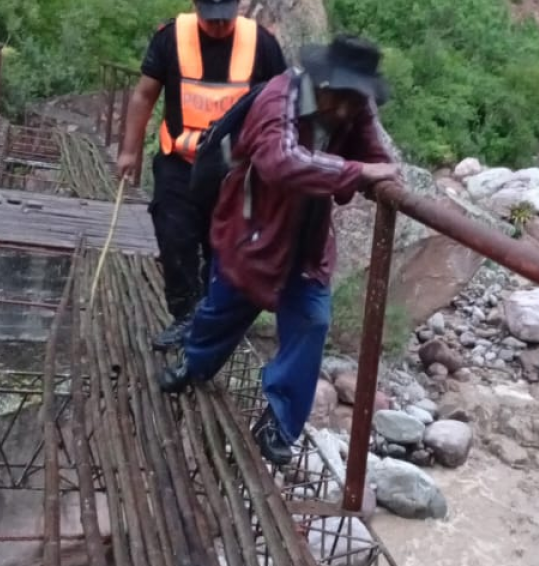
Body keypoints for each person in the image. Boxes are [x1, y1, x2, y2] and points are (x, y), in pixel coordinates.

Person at [158, 34, 403, 466]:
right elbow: (280, 160)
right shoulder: (278, 99)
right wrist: (360, 171)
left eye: (355, 99)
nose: (348, 109)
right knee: (224, 307)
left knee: (312, 321)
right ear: (323, 81)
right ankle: (194, 364)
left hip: (307, 237)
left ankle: (278, 423)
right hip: (254, 228)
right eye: (341, 97)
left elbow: (374, 155)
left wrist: (381, 178)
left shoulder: (353, 105)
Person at [117, 0, 288, 351]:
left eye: (225, 18)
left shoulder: (263, 45)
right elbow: (144, 94)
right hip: (179, 161)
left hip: (235, 172)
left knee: (222, 246)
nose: (219, 26)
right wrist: (129, 151)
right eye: (211, 19)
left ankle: (210, 321)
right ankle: (184, 314)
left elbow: (281, 106)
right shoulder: (170, 37)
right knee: (174, 235)